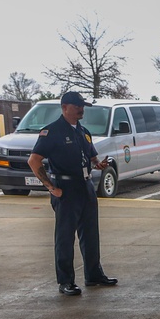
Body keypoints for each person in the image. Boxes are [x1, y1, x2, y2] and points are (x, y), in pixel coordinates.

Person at [27, 91, 118, 296]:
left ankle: (94, 274)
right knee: (65, 237)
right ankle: (66, 281)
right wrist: (51, 187)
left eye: (82, 106)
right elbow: (34, 161)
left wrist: (99, 164)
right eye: (77, 106)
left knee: (91, 234)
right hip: (65, 189)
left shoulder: (83, 131)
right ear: (65, 107)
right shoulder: (51, 132)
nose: (81, 109)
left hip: (85, 186)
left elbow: (92, 158)